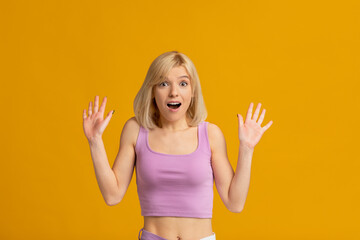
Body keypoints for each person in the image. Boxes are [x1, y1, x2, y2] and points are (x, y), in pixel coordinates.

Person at [82, 51, 273, 240]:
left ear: (192, 91)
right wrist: (95, 141)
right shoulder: (135, 130)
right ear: (152, 90)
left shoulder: (210, 134)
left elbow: (235, 203)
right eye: (164, 84)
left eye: (183, 83)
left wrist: (247, 149)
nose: (174, 92)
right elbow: (112, 195)